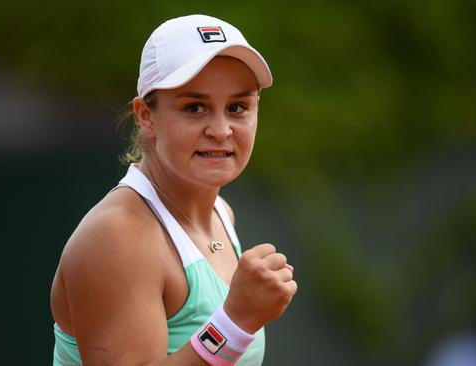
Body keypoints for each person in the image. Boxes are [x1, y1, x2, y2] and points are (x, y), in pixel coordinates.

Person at [50, 14, 297, 366]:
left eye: (238, 107)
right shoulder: (117, 237)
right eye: (194, 107)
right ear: (146, 117)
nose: (221, 130)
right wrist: (235, 322)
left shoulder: (221, 213)